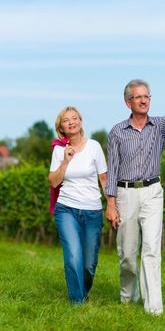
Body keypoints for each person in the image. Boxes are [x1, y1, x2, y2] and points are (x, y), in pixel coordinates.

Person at [105, 79, 165, 315]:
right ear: (128, 102)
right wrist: (111, 204)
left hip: (152, 192)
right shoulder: (116, 132)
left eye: (147, 96)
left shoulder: (160, 126)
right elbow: (112, 170)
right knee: (127, 253)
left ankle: (153, 308)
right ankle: (128, 297)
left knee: (151, 248)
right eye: (138, 97)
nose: (144, 100)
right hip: (125, 193)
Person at [48, 106, 107, 304]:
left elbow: (104, 180)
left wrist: (113, 206)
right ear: (61, 128)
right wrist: (65, 161)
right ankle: (77, 302)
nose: (71, 122)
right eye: (66, 120)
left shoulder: (94, 147)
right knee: (73, 256)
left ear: (81, 122)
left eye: (75, 118)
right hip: (66, 209)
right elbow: (54, 182)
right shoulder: (58, 150)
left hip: (92, 211)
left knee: (89, 264)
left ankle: (83, 291)